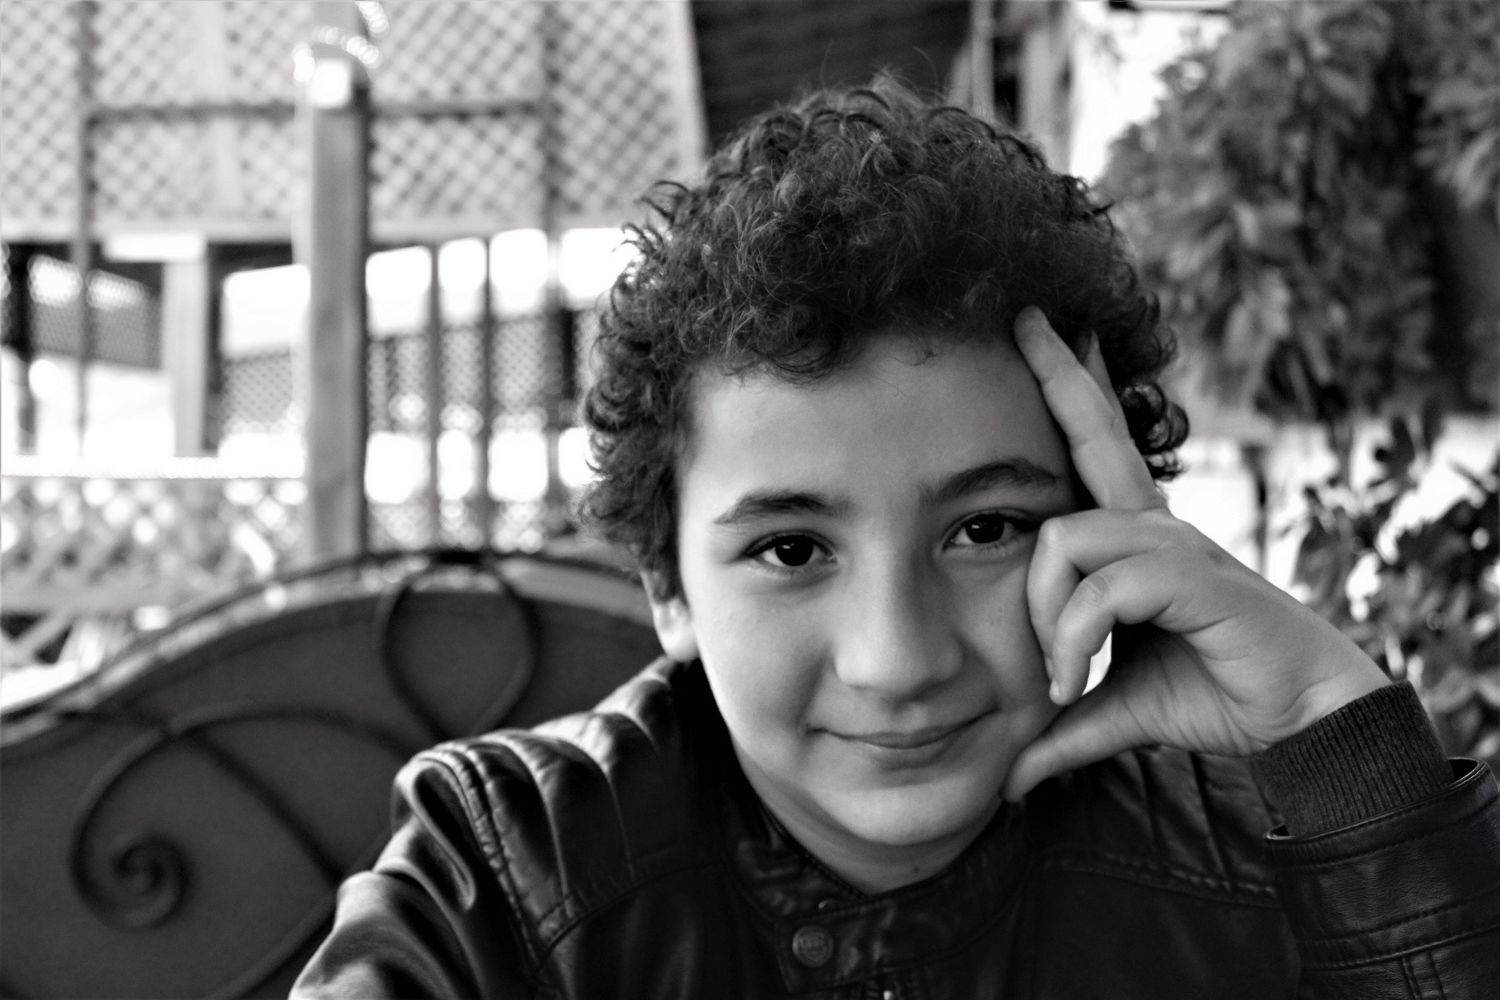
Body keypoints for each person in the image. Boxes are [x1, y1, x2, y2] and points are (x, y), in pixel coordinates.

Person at [292, 78, 1500, 999]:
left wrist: (1338, 746)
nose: (898, 659)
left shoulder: (1264, 865)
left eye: (985, 528)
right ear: (667, 581)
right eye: (791, 549)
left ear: (1106, 528)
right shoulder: (511, 874)